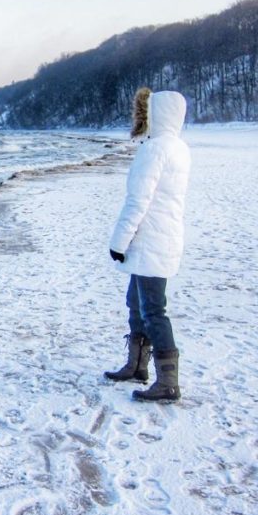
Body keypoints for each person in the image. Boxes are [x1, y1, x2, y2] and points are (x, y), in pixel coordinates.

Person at [105, 88, 192, 402]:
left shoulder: (154, 150)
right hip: (162, 238)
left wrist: (118, 241)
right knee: (136, 302)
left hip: (149, 240)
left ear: (156, 114)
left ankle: (168, 382)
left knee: (153, 310)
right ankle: (137, 366)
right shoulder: (179, 148)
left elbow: (138, 201)